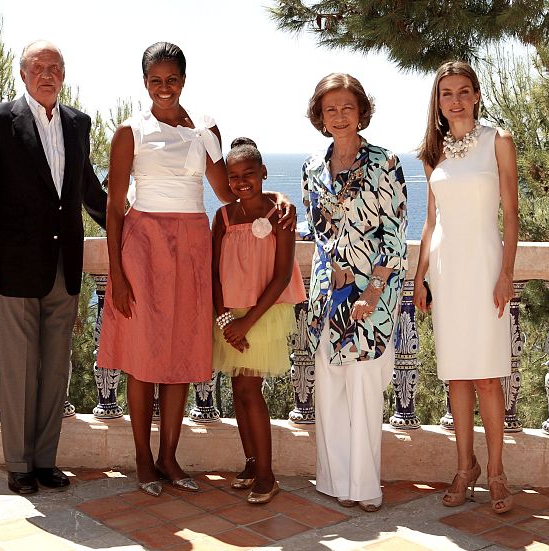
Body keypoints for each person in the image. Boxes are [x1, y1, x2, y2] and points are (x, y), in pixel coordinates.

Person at [99, 42, 295, 497]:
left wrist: (277, 200)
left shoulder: (206, 130)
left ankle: (169, 456)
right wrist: (118, 274)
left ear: (184, 81)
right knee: (144, 358)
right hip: (143, 245)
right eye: (155, 80)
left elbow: (230, 194)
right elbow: (113, 207)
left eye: (172, 79)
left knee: (181, 353)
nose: (163, 88)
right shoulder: (130, 131)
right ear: (144, 83)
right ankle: (144, 461)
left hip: (190, 245)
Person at [0, 40, 107, 495]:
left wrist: (134, 222)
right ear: (23, 74)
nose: (48, 74)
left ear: (63, 75)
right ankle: (18, 463)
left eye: (56, 67)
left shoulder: (78, 124)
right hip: (12, 267)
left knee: (55, 368)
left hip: (64, 269)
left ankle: (46, 460)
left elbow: (87, 190)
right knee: (18, 368)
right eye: (39, 67)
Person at [413, 61, 518, 514]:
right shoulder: (432, 152)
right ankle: (464, 466)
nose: (455, 100)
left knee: (487, 376)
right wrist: (420, 275)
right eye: (446, 93)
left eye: (462, 91)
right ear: (438, 102)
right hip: (446, 271)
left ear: (476, 95)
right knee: (456, 373)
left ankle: (495, 471)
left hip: (484, 266)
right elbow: (431, 219)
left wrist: (507, 271)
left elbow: (511, 214)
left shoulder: (499, 140)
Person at [302, 73, 407, 512]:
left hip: (372, 295)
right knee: (330, 386)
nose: (340, 116)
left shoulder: (386, 162)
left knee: (364, 387)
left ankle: (364, 487)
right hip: (329, 293)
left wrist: (373, 290)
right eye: (331, 109)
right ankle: (333, 480)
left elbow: (394, 236)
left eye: (348, 107)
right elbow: (318, 231)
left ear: (362, 111)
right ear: (320, 117)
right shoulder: (312, 168)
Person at [212, 138, 307, 505]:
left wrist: (246, 323)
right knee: (238, 389)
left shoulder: (278, 215)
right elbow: (213, 272)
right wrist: (223, 319)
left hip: (262, 315)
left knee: (250, 390)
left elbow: (282, 275)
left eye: (248, 174)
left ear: (263, 172)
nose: (240, 182)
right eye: (233, 177)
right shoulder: (222, 217)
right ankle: (251, 463)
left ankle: (267, 474)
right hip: (230, 317)